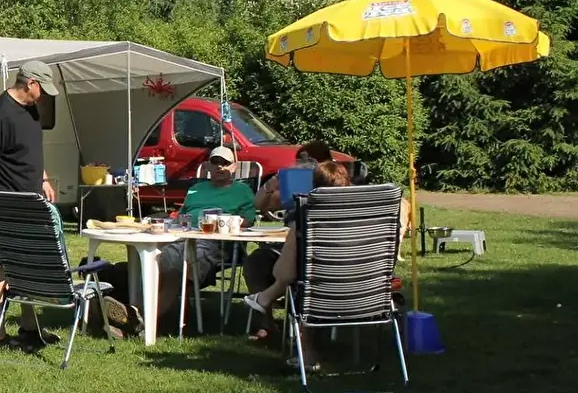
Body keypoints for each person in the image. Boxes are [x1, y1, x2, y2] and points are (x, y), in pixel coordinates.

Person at [242, 161, 411, 360]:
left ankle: (307, 354)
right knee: (277, 267)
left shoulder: (307, 219)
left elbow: (283, 274)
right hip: (370, 289)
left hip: (321, 291)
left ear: (313, 186)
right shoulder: (374, 216)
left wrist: (276, 286)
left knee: (305, 282)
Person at [98, 145, 257, 336]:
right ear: (208, 166)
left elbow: (248, 220)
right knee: (157, 261)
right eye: (215, 162)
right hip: (182, 236)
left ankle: (134, 316)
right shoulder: (197, 189)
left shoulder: (242, 190)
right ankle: (135, 317)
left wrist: (225, 222)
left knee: (168, 265)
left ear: (234, 167)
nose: (220, 167)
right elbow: (181, 216)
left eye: (225, 163)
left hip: (215, 242)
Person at [0, 61, 62, 347]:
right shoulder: (0, 112)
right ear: (30, 83)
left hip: (31, 201)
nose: (43, 95)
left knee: (28, 265)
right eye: (42, 89)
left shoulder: (31, 110)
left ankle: (29, 327)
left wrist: (44, 179)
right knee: (6, 265)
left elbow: (31, 151)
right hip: (7, 203)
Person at [243, 140, 332, 304]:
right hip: (290, 248)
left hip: (321, 251)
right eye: (301, 160)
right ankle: (264, 315)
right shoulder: (296, 186)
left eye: (310, 161)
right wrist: (272, 183)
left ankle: (270, 300)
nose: (304, 165)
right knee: (257, 261)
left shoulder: (335, 186)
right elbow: (260, 204)